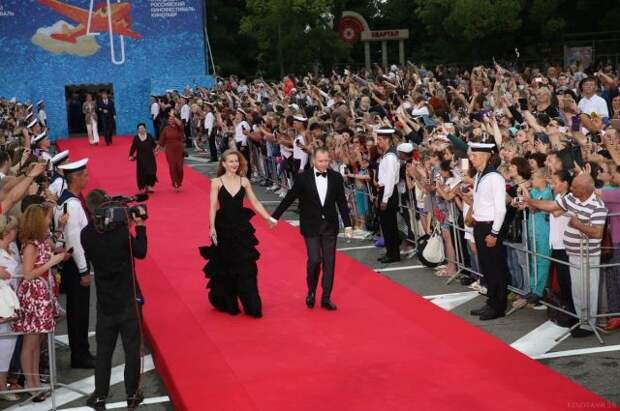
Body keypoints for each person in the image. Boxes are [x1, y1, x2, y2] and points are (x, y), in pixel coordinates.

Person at [81, 189, 147, 411]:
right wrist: (139, 226)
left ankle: (100, 396)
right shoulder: (120, 232)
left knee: (104, 352)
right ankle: (132, 394)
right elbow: (140, 251)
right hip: (128, 299)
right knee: (132, 349)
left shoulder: (86, 234)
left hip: (105, 302)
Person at [524, 174, 608, 337]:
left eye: (575, 187)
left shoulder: (598, 206)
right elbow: (552, 205)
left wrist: (578, 225)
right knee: (576, 290)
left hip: (588, 255)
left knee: (587, 290)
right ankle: (580, 320)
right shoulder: (571, 198)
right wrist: (530, 201)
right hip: (573, 252)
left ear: (584, 190)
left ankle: (588, 325)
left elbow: (597, 233)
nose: (571, 188)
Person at [272, 147, 353, 310]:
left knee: (329, 262)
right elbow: (290, 197)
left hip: (330, 225)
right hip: (311, 225)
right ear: (314, 160)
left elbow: (342, 203)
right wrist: (275, 216)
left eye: (327, 161)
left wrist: (348, 225)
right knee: (315, 259)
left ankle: (326, 298)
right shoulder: (304, 177)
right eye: (321, 161)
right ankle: (311, 290)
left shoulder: (336, 177)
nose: (324, 164)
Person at [200, 149, 276, 318]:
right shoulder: (216, 182)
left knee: (246, 267)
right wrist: (212, 228)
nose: (234, 164)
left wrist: (267, 217)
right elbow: (212, 206)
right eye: (231, 161)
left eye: (236, 161)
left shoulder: (244, 181)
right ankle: (229, 301)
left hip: (242, 229)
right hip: (223, 228)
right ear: (224, 163)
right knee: (226, 266)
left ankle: (251, 303)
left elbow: (255, 201)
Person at [13, 204, 66, 402]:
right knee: (30, 343)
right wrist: (51, 263)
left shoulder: (40, 241)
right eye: (47, 218)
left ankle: (34, 381)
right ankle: (30, 383)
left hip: (42, 293)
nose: (49, 221)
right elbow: (28, 274)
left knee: (36, 343)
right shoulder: (30, 246)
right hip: (33, 296)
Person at [54, 158, 95, 368]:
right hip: (76, 264)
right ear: (75, 178)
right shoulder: (72, 204)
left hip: (71, 262)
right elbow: (75, 241)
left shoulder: (67, 200)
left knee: (77, 310)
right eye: (84, 175)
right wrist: (84, 270)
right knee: (79, 312)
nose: (87, 178)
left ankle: (81, 351)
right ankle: (80, 354)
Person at [468, 142, 509, 321]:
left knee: (496, 267)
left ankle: (498, 306)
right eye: (471, 155)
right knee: (486, 266)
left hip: (490, 227)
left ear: (485, 156)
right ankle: (491, 301)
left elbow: (500, 209)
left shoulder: (495, 178)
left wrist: (494, 233)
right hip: (480, 225)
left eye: (475, 155)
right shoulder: (480, 175)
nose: (471, 158)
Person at [375, 128, 401, 264]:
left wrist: (385, 199)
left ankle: (393, 254)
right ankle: (390, 251)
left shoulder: (390, 157)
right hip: (385, 190)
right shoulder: (388, 155)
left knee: (389, 225)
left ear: (387, 140)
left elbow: (390, 179)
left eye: (380, 139)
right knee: (386, 224)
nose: (378, 142)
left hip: (388, 192)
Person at [157, 111, 185, 192]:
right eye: (169, 119)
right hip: (169, 150)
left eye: (172, 119)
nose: (170, 120)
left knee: (179, 167)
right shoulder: (166, 128)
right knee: (172, 167)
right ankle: (175, 183)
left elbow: (180, 124)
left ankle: (179, 181)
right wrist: (157, 148)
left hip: (179, 149)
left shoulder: (179, 127)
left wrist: (173, 115)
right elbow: (161, 139)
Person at [129, 123, 158, 194]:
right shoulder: (136, 138)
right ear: (138, 130)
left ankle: (149, 186)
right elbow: (133, 147)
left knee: (152, 171)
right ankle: (143, 187)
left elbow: (154, 145)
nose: (141, 129)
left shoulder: (149, 136)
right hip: (141, 159)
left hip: (150, 158)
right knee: (142, 173)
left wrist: (156, 150)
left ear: (145, 128)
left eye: (142, 128)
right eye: (140, 128)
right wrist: (131, 155)